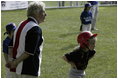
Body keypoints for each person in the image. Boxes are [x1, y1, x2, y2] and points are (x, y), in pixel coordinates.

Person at [6, 1, 46, 78]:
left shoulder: (21, 24)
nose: (45, 14)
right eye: (44, 11)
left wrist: (11, 60)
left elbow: (10, 46)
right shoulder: (35, 28)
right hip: (28, 70)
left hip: (15, 70)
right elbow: (29, 52)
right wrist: (15, 63)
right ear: (37, 13)